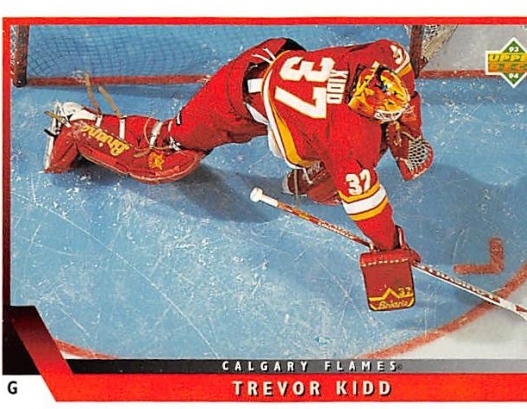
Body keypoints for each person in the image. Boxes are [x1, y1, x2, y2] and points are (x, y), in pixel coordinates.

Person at [43, 37, 433, 310]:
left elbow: (403, 80)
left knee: (354, 163)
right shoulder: (347, 140)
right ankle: (76, 125)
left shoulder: (385, 57)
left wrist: (406, 127)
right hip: (232, 100)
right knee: (169, 152)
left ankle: (310, 172)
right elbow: (368, 209)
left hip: (275, 60)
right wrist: (390, 246)